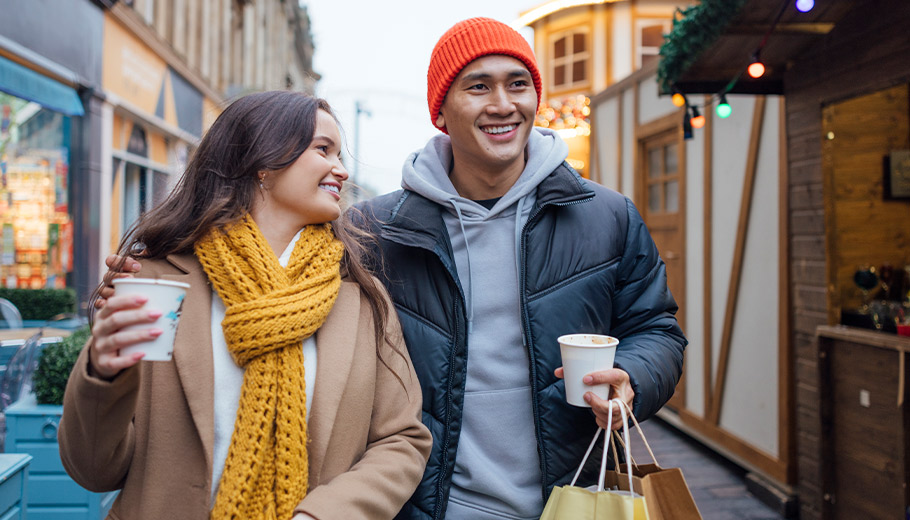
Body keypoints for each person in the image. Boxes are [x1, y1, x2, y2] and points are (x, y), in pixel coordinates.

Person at [100, 18, 687, 520]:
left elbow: (658, 329)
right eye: (478, 86)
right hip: (425, 505)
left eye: (518, 84)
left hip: (571, 498)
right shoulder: (370, 232)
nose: (503, 104)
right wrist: (150, 276)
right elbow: (257, 252)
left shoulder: (607, 217)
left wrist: (631, 376)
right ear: (442, 109)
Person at [59, 91, 432, 520]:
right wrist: (103, 373)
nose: (342, 170)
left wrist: (323, 516)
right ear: (262, 163)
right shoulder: (154, 282)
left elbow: (402, 440)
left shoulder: (361, 299)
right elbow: (93, 470)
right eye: (322, 149)